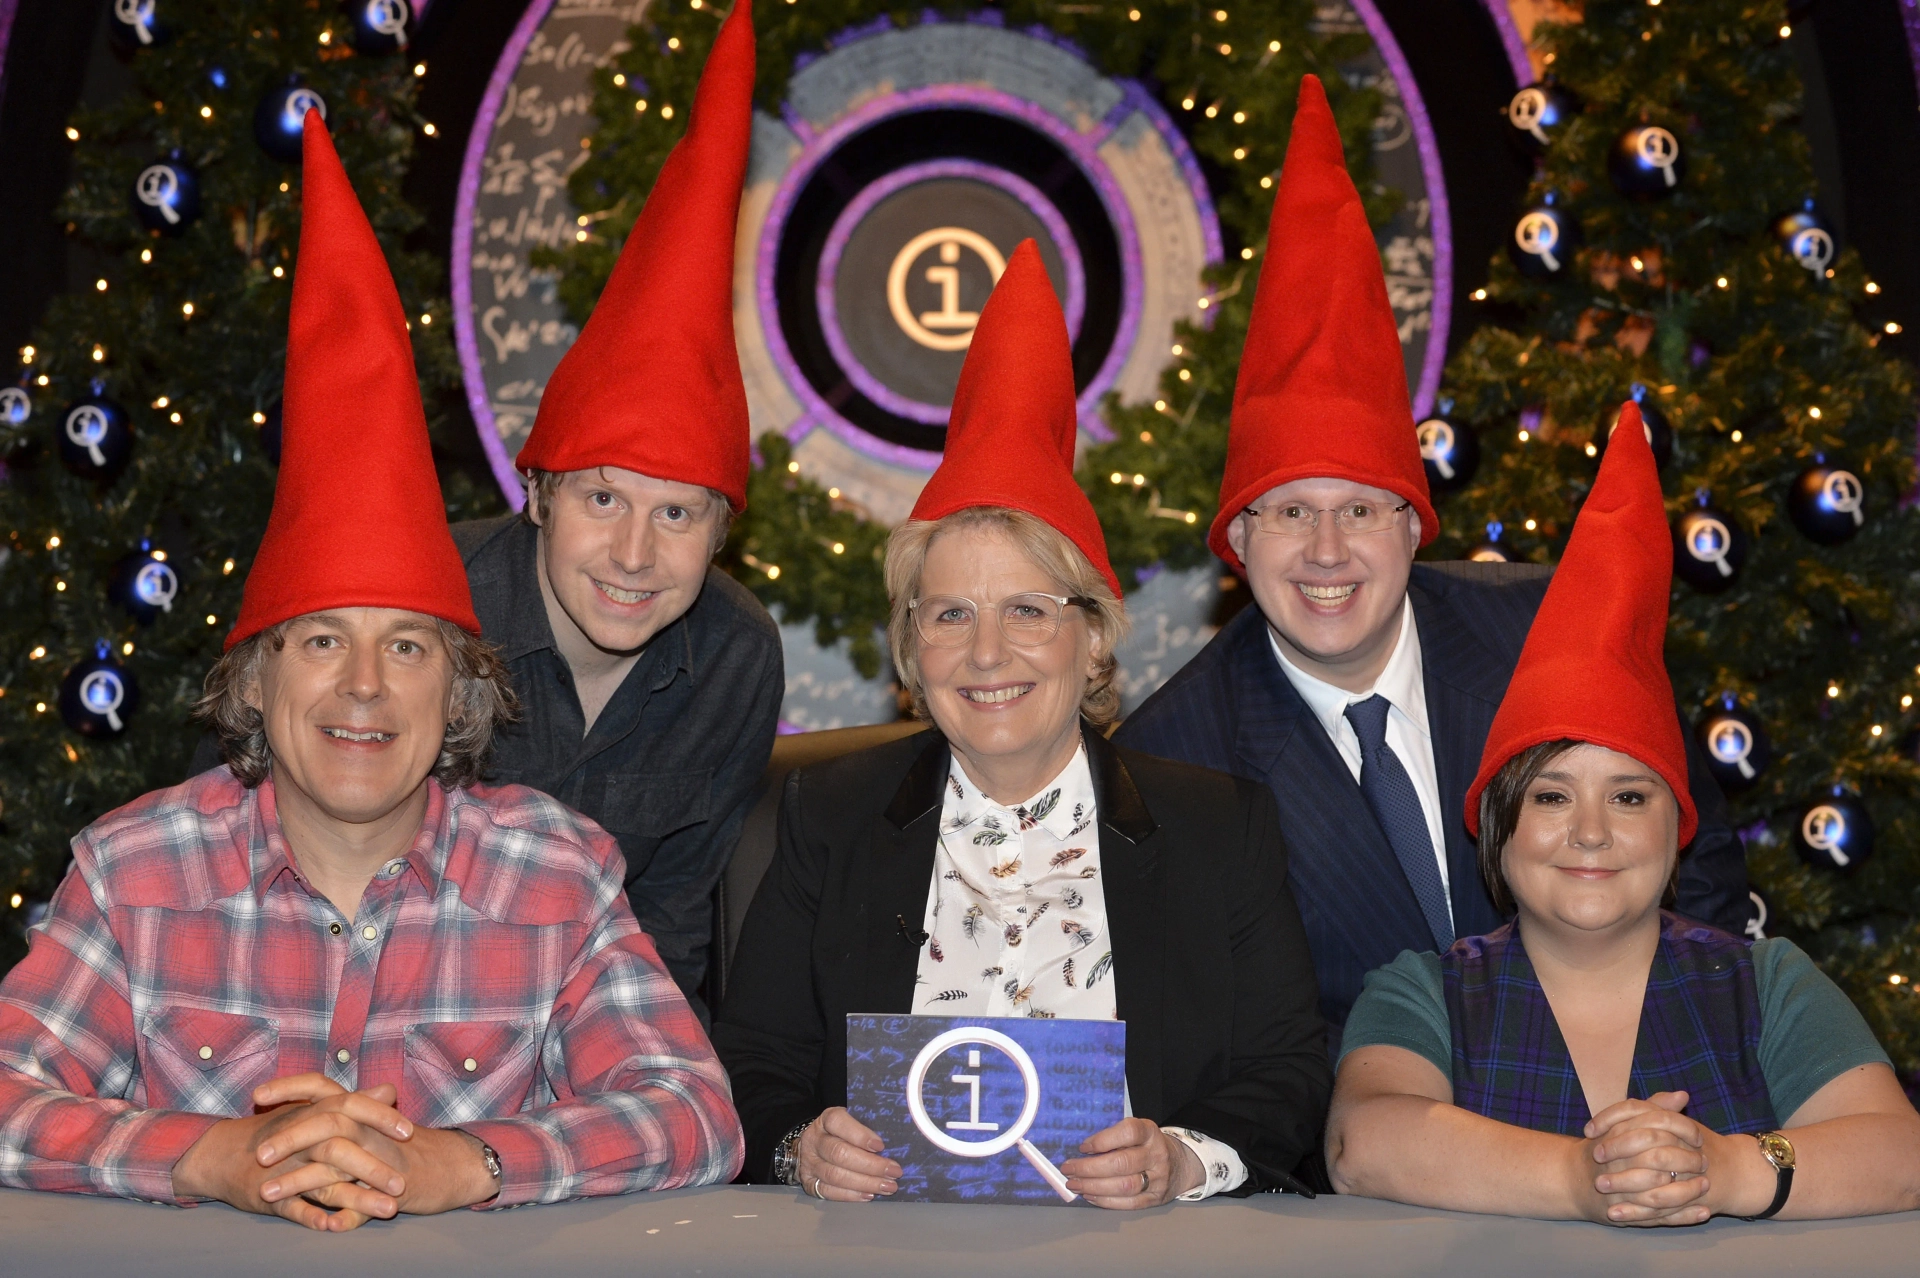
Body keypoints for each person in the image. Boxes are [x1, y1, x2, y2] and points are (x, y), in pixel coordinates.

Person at [0, 115, 742, 1228]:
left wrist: (466, 1163)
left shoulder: (557, 875)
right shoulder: (133, 874)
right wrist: (211, 1157)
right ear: (252, 685)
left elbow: (695, 1117)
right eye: (320, 641)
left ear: (462, 694)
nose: (363, 686)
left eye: (408, 647)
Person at [1114, 76, 1747, 1048]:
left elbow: (1695, 877)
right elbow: (1215, 1033)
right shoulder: (1172, 757)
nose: (1328, 552)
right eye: (1288, 513)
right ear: (1236, 544)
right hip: (1359, 1164)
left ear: (1415, 525)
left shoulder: (1548, 631)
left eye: (1363, 509)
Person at [712, 242, 1330, 1209]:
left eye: (1029, 611)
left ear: (1093, 641)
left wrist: (1181, 1160)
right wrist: (800, 1148)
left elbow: (1288, 1072)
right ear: (913, 653)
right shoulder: (827, 816)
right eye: (949, 614)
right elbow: (752, 1059)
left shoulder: (1220, 827)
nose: (987, 653)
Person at [1324, 404, 1920, 1225]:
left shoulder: (1768, 982)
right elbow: (1364, 1145)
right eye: (1553, 796)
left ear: (1676, 829)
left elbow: (1902, 1155)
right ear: (1500, 830)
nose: (1593, 831)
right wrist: (1586, 1177)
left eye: (1629, 797)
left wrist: (1730, 1169)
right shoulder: (1421, 992)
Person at [454, 2, 780, 1012]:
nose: (636, 552)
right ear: (537, 492)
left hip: (584, 1044)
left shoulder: (733, 654)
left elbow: (676, 913)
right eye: (604, 497)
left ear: (723, 531)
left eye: (679, 514)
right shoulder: (424, 604)